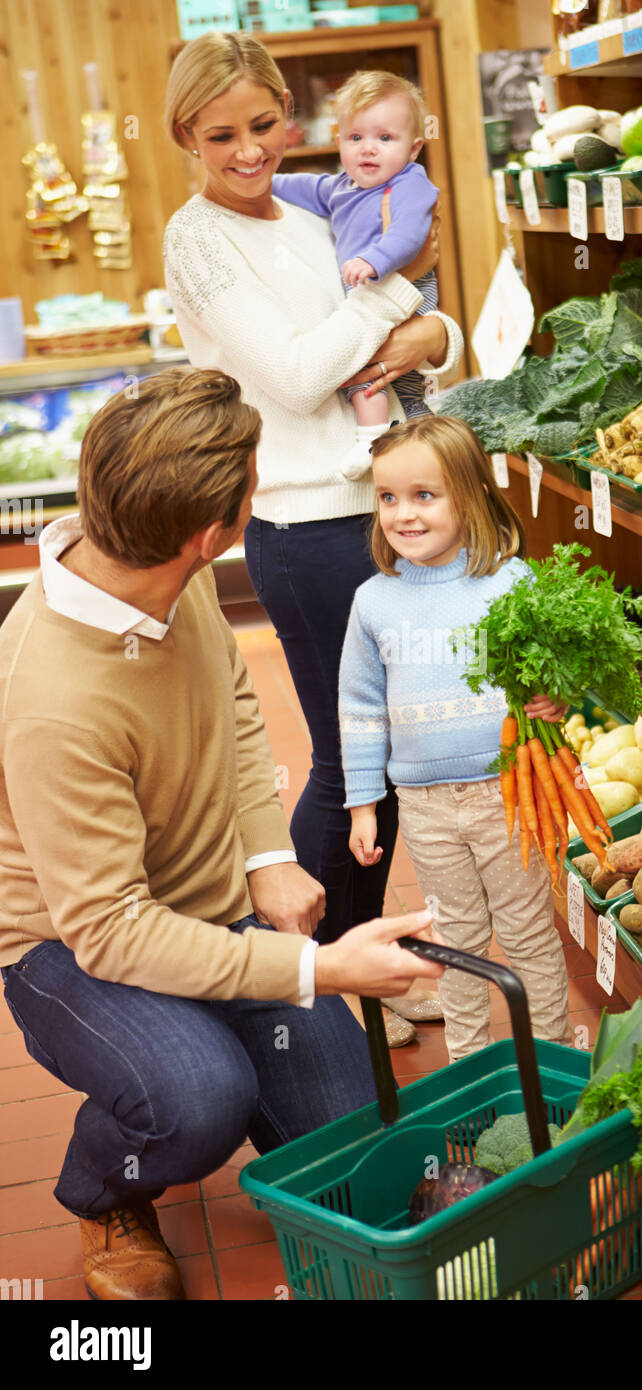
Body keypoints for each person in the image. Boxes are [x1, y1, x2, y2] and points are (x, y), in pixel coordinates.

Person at [0, 368, 444, 1302]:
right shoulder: (51, 701)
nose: (260, 489)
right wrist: (321, 970)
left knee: (355, 1141)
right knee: (198, 1099)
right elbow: (113, 931)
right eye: (254, 481)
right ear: (215, 532)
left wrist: (266, 854)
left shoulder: (163, 569)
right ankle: (105, 1193)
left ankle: (199, 1039)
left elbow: (234, 703)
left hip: (206, 907)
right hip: (67, 946)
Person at [162, 36, 464, 1038]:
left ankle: (356, 971)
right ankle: (331, 983)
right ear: (184, 137)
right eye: (221, 134)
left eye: (262, 124)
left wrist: (434, 332)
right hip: (300, 526)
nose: (248, 150)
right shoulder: (196, 240)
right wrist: (399, 295)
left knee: (385, 761)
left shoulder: (311, 208)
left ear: (288, 113)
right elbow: (297, 373)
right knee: (348, 766)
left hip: (373, 511)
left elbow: (409, 332)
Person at [338, 415, 573, 1062]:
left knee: (527, 934)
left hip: (509, 793)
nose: (403, 515)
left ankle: (549, 1062)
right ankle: (469, 1070)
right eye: (388, 498)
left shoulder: (510, 583)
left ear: (467, 497)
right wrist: (363, 802)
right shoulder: (373, 603)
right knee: (456, 941)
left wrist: (555, 695)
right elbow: (358, 708)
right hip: (424, 806)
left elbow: (551, 670)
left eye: (423, 496)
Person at [272, 69, 440, 478]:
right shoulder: (341, 187)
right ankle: (392, 436)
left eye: (385, 138)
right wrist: (266, 183)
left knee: (380, 372)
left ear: (414, 148)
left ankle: (374, 439)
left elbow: (411, 232)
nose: (369, 149)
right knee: (369, 371)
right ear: (339, 142)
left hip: (407, 289)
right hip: (370, 297)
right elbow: (304, 188)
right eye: (356, 138)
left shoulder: (407, 183)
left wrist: (375, 260)